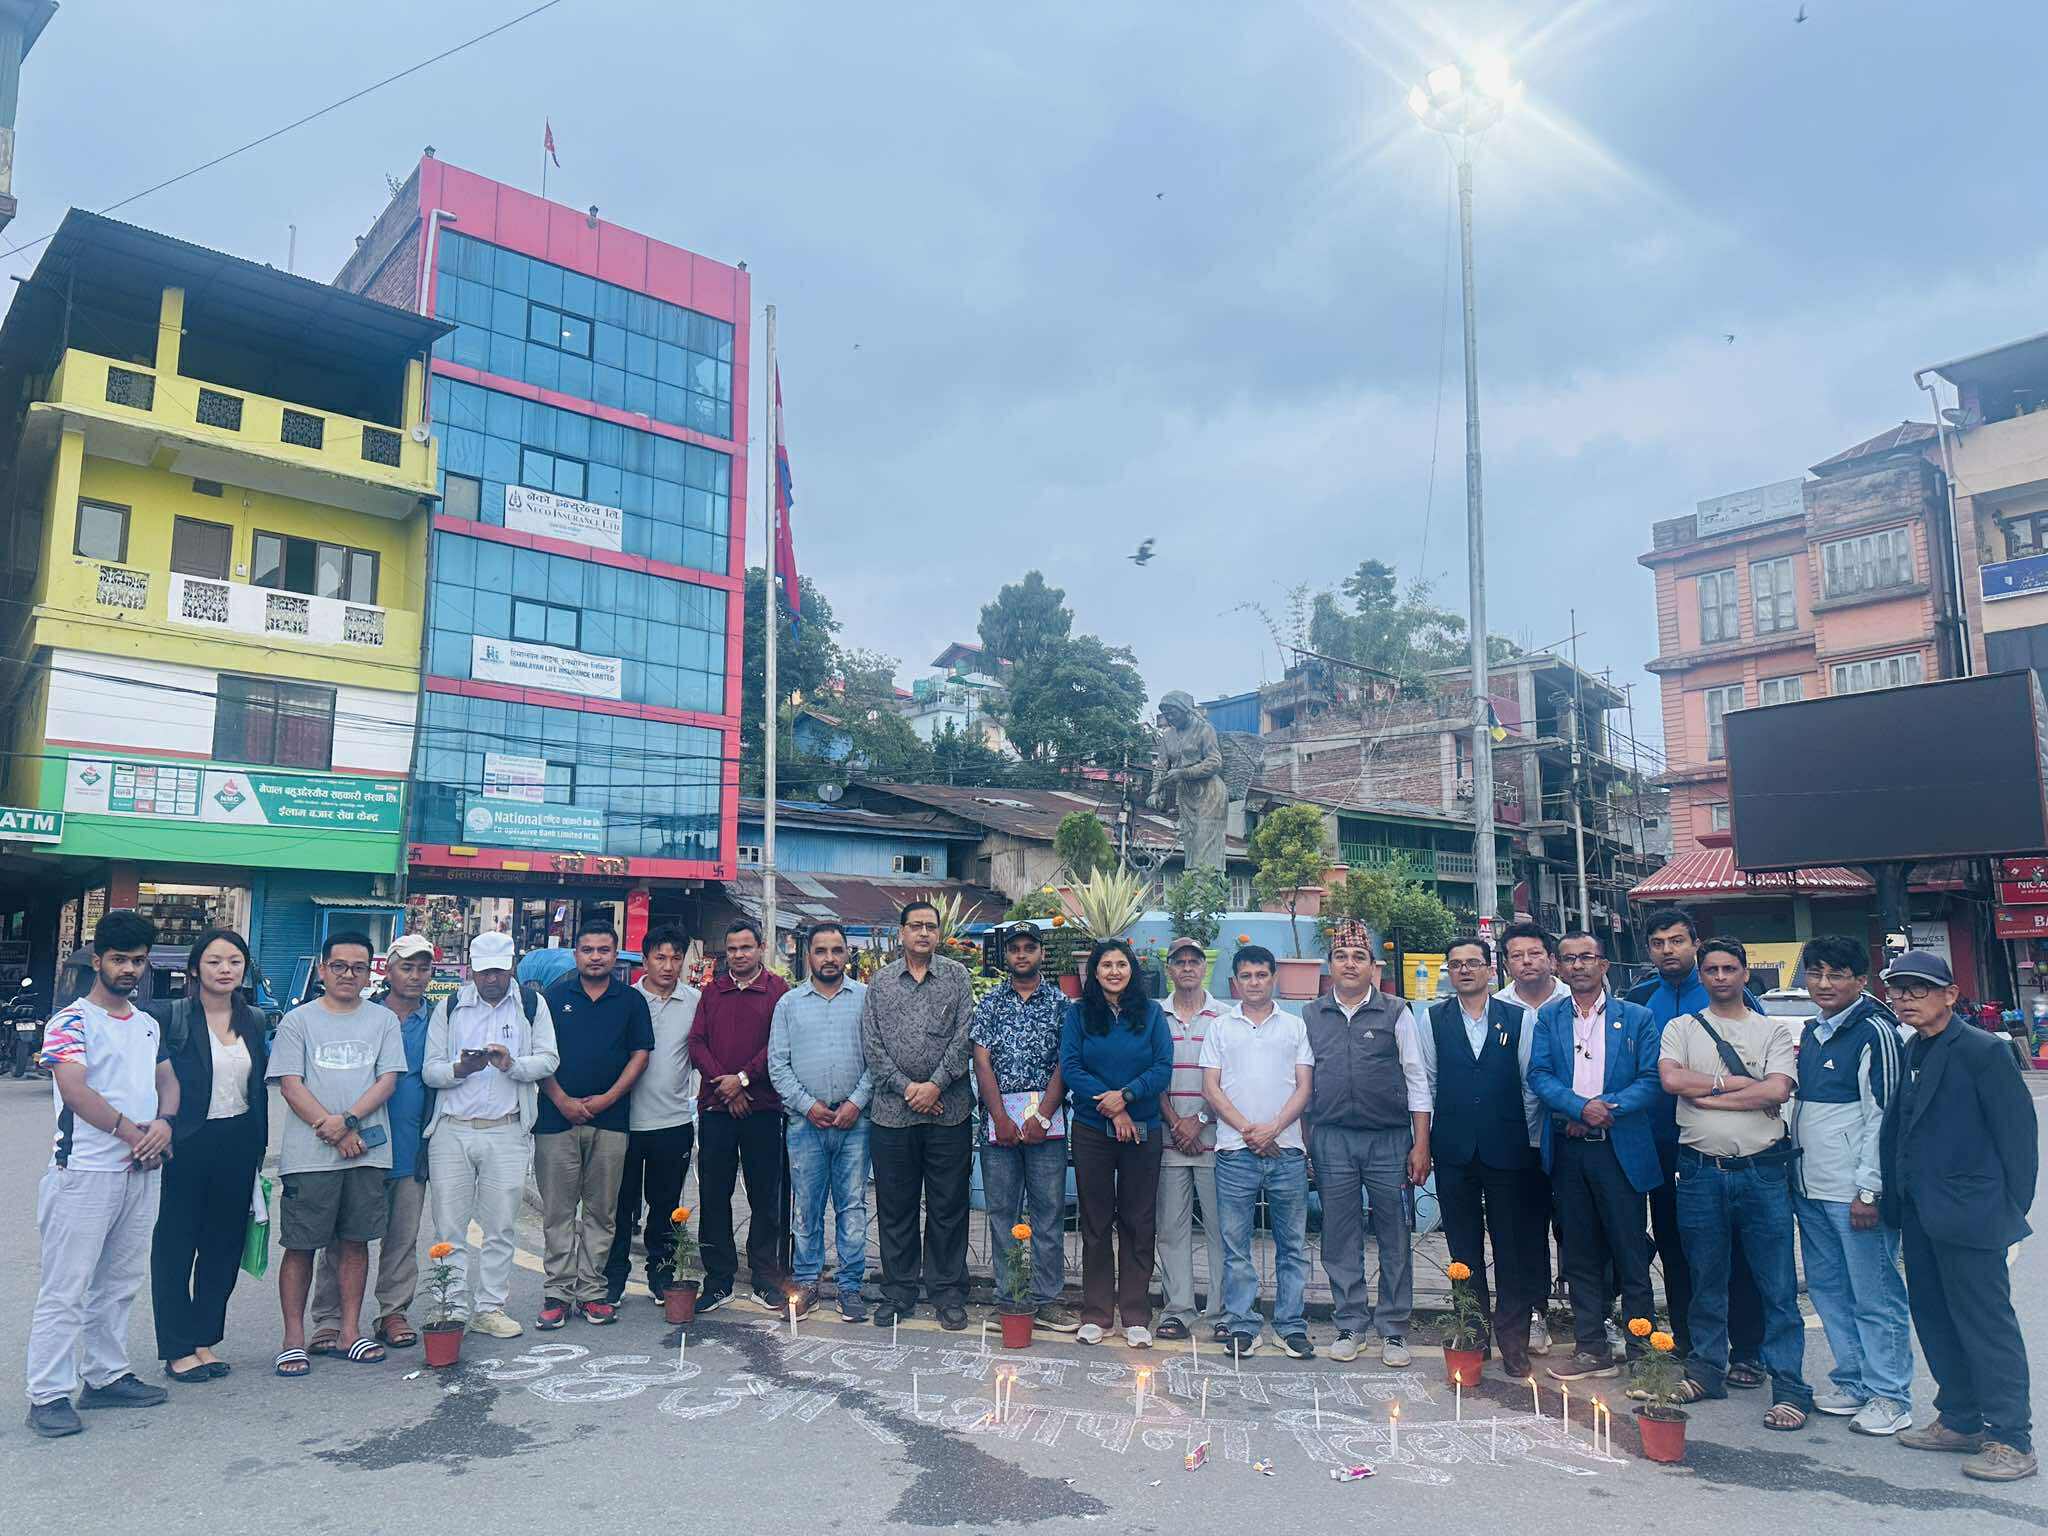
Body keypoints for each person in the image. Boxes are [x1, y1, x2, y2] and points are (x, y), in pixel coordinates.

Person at [1881, 950, 2038, 1481]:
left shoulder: (1983, 1050)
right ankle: (1960, 1419)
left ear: (1950, 995)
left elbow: (2018, 1138)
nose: (1906, 999)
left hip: (1973, 1214)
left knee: (1986, 1324)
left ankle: (2011, 1438)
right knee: (1934, 1316)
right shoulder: (1913, 1047)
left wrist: (2005, 1209)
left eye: (1919, 989)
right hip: (1922, 1212)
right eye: (1898, 989)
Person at [25, 910, 178, 1438]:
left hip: (141, 1172)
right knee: (66, 1287)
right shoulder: (70, 1022)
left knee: (119, 1282)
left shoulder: (148, 1023)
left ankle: (106, 1376)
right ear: (97, 961)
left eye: (138, 961)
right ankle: (47, 1395)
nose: (129, 970)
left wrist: (164, 1124)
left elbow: (167, 1080)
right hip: (84, 1172)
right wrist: (134, 1135)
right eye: (119, 960)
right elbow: (75, 1090)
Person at [1658, 937, 1812, 1430]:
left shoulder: (1772, 1030)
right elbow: (1672, 1082)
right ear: (1701, 976)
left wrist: (1708, 1095)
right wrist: (1737, 1085)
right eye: (1712, 970)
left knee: (1777, 1285)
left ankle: (1789, 1386)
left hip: (1762, 1173)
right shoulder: (1681, 1027)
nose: (1721, 977)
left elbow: (1777, 1089)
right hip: (1699, 1172)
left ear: (1746, 973)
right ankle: (1706, 1370)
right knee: (1705, 1278)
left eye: (1729, 968)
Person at [1627, 906, 1767, 1384]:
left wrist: (1707, 1091)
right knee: (1675, 1245)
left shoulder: (1732, 994)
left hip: (1723, 1143)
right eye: (1658, 943)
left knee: (1737, 1248)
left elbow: (1759, 1071)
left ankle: (1747, 1349)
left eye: (1677, 941)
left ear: (1695, 943)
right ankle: (1690, 1344)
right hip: (1660, 1143)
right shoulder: (1640, 998)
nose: (1668, 950)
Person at [1789, 935, 1912, 1437]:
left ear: (1861, 980)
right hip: (1811, 1191)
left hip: (1855, 1196)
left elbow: (1884, 1117)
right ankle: (1855, 1381)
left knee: (1875, 1296)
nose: (1824, 984)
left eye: (1837, 974)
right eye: (1816, 973)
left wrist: (1870, 1191)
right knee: (1829, 1291)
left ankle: (1891, 1395)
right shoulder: (1813, 1031)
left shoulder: (1876, 1031)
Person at [269, 931, 406, 1377]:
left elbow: (387, 1080)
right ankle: (293, 1340)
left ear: (370, 973)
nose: (349, 974)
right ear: (323, 969)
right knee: (300, 1246)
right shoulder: (298, 1021)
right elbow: (291, 1084)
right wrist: (332, 1129)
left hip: (366, 1153)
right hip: (309, 1156)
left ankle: (349, 1332)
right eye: (340, 966)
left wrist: (347, 1121)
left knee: (355, 1243)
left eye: (359, 967)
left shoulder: (383, 1021)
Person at [1529, 931, 1662, 1382]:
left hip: (1619, 1150)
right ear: (1558, 967)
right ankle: (1590, 1348)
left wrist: (1603, 1109)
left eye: (1587, 957)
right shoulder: (1549, 1017)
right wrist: (1577, 1108)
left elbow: (1650, 1080)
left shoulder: (1637, 1018)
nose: (1578, 965)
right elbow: (1539, 1075)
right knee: (1579, 1252)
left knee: (1630, 1251)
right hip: (1569, 1152)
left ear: (1604, 964)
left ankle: (1642, 1350)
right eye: (1569, 959)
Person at [1300, 923, 1430, 1366]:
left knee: (1394, 1233)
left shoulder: (1396, 1012)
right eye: (1341, 957)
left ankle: (1393, 1329)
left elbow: (1416, 1078)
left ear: (1374, 966)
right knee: (1339, 1234)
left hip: (1389, 1139)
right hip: (1332, 1138)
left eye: (1359, 956)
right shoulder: (1311, 1015)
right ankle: (1350, 1323)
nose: (1350, 964)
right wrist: (1308, 1142)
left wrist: (1421, 1143)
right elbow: (1303, 1082)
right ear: (1330, 966)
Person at [1417, 935, 1545, 1381]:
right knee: (1462, 1248)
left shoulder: (1519, 1018)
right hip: (1454, 1148)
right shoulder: (1433, 1019)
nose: (1465, 970)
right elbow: (1427, 1084)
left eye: (1473, 963)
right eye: (1456, 964)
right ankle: (1471, 1333)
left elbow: (1529, 1084)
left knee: (1512, 1246)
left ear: (1491, 970)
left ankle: (1513, 1339)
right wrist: (1424, 1143)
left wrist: (1528, 1141)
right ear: (1448, 973)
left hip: (1507, 1148)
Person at [423, 930, 558, 1340]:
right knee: (449, 1227)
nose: (491, 980)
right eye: (484, 972)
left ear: (512, 967)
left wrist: (511, 1065)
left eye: (499, 971)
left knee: (501, 1227)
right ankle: (451, 1306)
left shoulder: (531, 1005)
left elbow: (549, 1059)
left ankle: (489, 1307)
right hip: (452, 1130)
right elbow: (430, 1070)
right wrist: (460, 1070)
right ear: (471, 970)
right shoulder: (450, 1007)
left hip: (507, 1129)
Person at [150, 927, 267, 1383]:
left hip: (238, 1141)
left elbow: (257, 1089)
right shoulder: (170, 1016)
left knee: (223, 1245)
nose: (225, 969)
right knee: (176, 1245)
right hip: (186, 1143)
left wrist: (258, 1146)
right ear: (195, 968)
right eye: (215, 961)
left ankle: (204, 1340)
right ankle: (177, 1347)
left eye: (234, 962)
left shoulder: (254, 1019)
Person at [309, 934, 434, 1355]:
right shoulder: (361, 1015)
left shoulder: (439, 1020)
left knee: (402, 1236)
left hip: (409, 1143)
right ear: (387, 970)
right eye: (406, 967)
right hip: (355, 1143)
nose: (414, 976)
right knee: (342, 1236)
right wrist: (341, 1127)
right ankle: (329, 1319)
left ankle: (393, 1312)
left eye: (423, 968)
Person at [861, 900, 978, 1330]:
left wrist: (935, 1085)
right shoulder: (881, 982)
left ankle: (947, 1292)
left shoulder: (957, 977)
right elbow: (872, 1044)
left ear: (939, 933)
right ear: (902, 932)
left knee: (949, 1206)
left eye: (931, 926)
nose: (923, 933)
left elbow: (966, 1036)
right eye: (916, 926)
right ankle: (899, 1291)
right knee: (896, 1208)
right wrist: (909, 1089)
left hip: (949, 1112)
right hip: (893, 1115)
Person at [535, 919, 651, 1329]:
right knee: (558, 1212)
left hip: (612, 1120)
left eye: (604, 950)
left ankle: (592, 1292)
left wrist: (608, 1098)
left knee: (603, 1211)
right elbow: (537, 1055)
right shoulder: (552, 998)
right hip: (555, 1120)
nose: (596, 957)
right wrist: (562, 1101)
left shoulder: (631, 1001)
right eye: (588, 950)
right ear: (576, 954)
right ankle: (557, 1293)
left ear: (615, 954)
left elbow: (640, 1055)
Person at [1202, 944, 1316, 1360]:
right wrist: (1249, 1130)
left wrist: (1273, 1129)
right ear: (1235, 982)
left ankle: (1290, 1326)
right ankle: (1242, 1325)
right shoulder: (1220, 1028)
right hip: (1235, 1152)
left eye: (1262, 975)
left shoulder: (1294, 1026)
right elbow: (1211, 1088)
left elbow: (1304, 1087)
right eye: (1246, 976)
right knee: (1237, 1247)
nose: (1254, 983)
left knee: (1292, 1245)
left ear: (1274, 978)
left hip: (1286, 1151)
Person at [1063, 937, 1175, 1347]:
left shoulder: (1152, 1014)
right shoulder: (1078, 1014)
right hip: (1092, 1129)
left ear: (1132, 970)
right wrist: (1113, 1108)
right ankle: (1096, 1313)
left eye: (1121, 965)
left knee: (1138, 1221)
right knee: (1095, 1221)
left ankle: (1134, 1314)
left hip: (1142, 1130)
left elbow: (1162, 1068)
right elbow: (1071, 1067)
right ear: (1094, 972)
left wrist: (1126, 1096)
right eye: (1106, 965)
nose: (1114, 972)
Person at [969, 923, 1078, 1333]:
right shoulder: (990, 1003)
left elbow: (1066, 1061)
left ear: (1041, 954)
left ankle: (1048, 1301)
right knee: (1002, 1214)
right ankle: (1011, 1299)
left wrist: (1043, 1116)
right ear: (1006, 955)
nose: (1021, 954)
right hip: (999, 1129)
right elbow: (981, 1060)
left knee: (1048, 1214)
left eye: (1029, 947)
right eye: (1014, 948)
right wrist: (999, 1117)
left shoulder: (1062, 1005)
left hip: (1046, 1129)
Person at [769, 923, 873, 1320]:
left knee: (852, 1208)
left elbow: (877, 1058)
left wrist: (856, 1103)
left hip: (854, 1123)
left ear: (847, 954)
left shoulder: (866, 999)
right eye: (821, 950)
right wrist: (807, 1105)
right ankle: (807, 1284)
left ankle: (850, 1287)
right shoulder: (789, 1004)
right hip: (805, 1123)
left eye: (836, 950)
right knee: (806, 1209)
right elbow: (778, 1065)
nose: (829, 958)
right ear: (808, 955)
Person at [687, 919, 791, 1313]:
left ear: (760, 948)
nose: (739, 955)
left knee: (765, 1197)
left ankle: (765, 1278)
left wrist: (743, 1080)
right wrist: (725, 1086)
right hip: (717, 1108)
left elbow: (779, 1044)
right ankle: (718, 1280)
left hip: (762, 1109)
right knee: (714, 1196)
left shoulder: (778, 991)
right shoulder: (712, 992)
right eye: (732, 949)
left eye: (746, 947)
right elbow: (697, 1043)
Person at [606, 926, 700, 1307]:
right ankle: (613, 1279)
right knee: (619, 1207)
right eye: (660, 957)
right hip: (625, 1123)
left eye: (676, 958)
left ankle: (661, 1276)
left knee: (665, 1207)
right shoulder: (625, 1001)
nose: (668, 965)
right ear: (644, 960)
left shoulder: (695, 1002)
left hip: (673, 1122)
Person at [1498, 920, 1570, 1355]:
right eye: (1517, 955)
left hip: (1572, 1132)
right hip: (1520, 1138)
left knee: (1582, 1229)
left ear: (1551, 959)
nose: (1526, 962)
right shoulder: (1497, 1006)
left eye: (1535, 953)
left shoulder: (1574, 999)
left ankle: (1598, 1314)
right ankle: (1536, 1311)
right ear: (1506, 963)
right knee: (1526, 1230)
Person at [1155, 935, 1229, 1344]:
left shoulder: (1225, 1017)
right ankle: (1178, 1310)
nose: (1187, 967)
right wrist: (1175, 1122)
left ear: (1204, 967)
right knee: (1171, 1230)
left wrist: (1200, 1120)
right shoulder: (1155, 1016)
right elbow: (1150, 1071)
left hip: (1214, 1140)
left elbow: (1231, 1077)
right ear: (1169, 969)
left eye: (1193, 961)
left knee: (1222, 1231)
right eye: (1179, 961)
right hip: (1169, 1142)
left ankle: (1221, 1312)